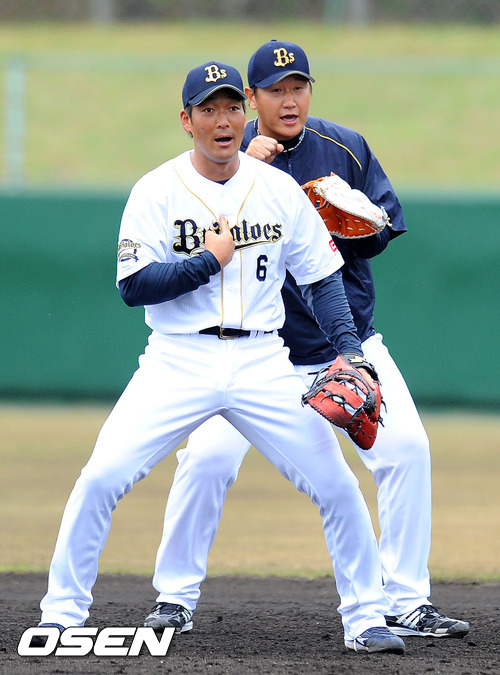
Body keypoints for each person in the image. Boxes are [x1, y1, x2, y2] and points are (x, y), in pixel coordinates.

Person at [34, 60, 405, 655]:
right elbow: (133, 285)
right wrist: (207, 262)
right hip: (177, 359)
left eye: (232, 107)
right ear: (187, 121)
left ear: (244, 112)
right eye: (208, 109)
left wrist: (350, 352)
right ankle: (61, 614)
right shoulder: (156, 190)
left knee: (337, 486)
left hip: (262, 360)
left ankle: (365, 619)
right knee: (101, 477)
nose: (223, 120)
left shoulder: (278, 191)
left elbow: (322, 279)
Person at [146, 41, 469, 641]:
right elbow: (201, 240)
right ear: (251, 99)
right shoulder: (228, 156)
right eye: (276, 90)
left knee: (408, 451)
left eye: (298, 87)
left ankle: (406, 601)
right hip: (253, 355)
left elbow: (384, 228)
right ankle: (174, 599)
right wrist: (248, 168)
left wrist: (353, 220)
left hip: (347, 345)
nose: (289, 100)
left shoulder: (343, 147)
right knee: (207, 461)